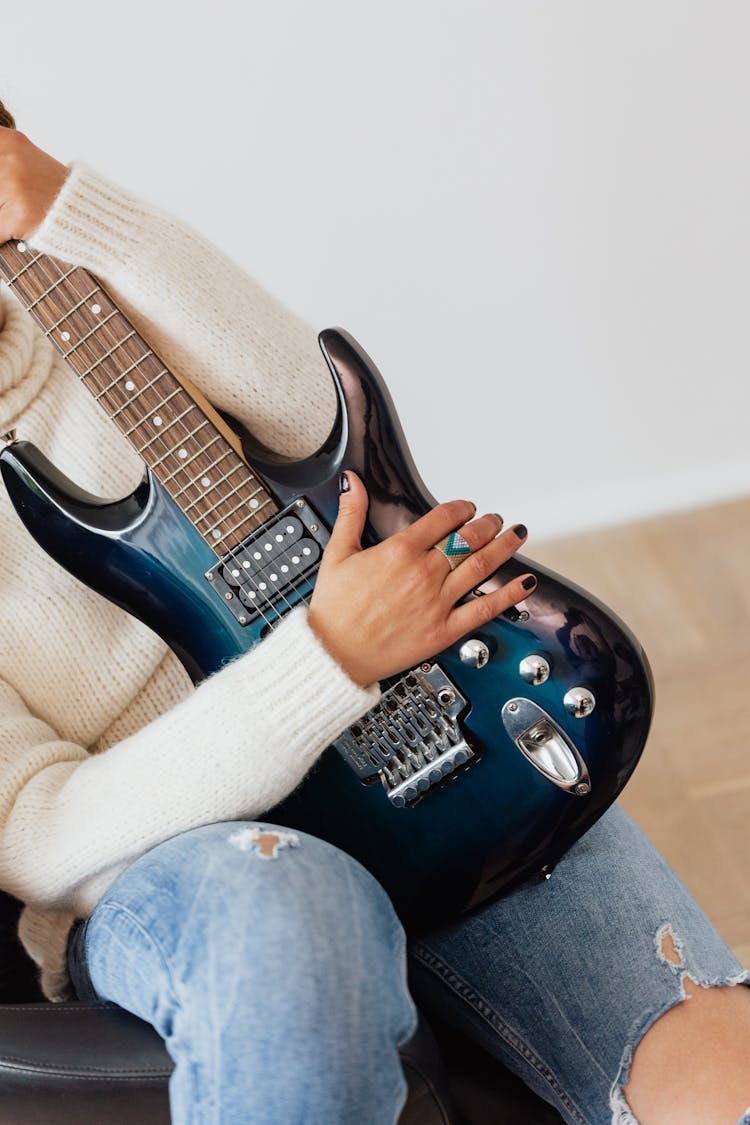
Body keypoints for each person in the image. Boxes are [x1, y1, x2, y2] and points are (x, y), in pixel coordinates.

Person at [0, 107, 748, 1125]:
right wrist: (323, 662)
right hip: (197, 860)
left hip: (432, 753)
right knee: (288, 918)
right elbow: (36, 833)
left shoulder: (72, 289)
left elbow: (317, 413)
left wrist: (64, 205)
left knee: (722, 1078)